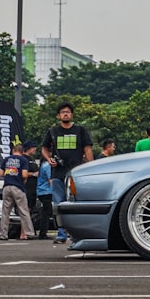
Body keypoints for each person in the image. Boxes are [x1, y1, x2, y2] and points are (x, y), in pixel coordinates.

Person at [41, 101, 94, 244]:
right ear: (58, 116)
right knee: (59, 204)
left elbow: (87, 149)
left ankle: (77, 233)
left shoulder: (80, 130)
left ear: (72, 115)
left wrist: (91, 167)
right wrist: (49, 159)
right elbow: (44, 148)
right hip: (57, 173)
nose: (65, 114)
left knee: (76, 203)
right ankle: (61, 233)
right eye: (63, 112)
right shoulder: (53, 132)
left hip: (76, 174)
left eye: (68, 112)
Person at [0, 141, 36, 241]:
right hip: (18, 187)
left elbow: (1, 174)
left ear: (12, 151)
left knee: (5, 212)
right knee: (24, 211)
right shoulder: (23, 160)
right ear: (22, 151)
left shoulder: (6, 159)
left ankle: (3, 234)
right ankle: (29, 233)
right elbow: (24, 174)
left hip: (6, 187)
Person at [35, 150, 53, 239]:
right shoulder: (47, 166)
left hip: (41, 191)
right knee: (47, 213)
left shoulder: (42, 165)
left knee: (45, 212)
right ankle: (42, 233)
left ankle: (41, 231)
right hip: (46, 191)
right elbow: (51, 180)